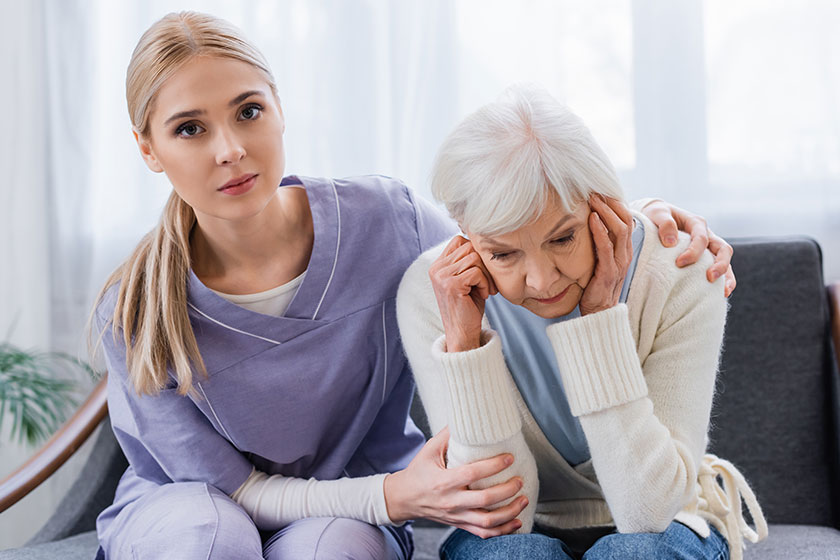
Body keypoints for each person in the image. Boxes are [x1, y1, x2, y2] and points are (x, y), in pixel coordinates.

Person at [90, 11, 739, 560]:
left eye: (248, 111)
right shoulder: (136, 309)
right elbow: (232, 491)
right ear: (147, 148)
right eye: (189, 128)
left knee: (338, 548)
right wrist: (395, 493)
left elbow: (514, 211)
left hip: (353, 512)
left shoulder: (384, 224)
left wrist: (645, 222)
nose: (229, 149)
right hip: (205, 506)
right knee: (211, 535)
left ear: (279, 107)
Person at [396, 86, 767, 560]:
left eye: (564, 237)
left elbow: (647, 513)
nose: (541, 279)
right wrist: (465, 345)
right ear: (465, 233)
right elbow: (502, 514)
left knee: (635, 555)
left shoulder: (685, 271)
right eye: (503, 253)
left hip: (665, 521)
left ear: (604, 203)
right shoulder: (437, 294)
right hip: (515, 531)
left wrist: (599, 320)